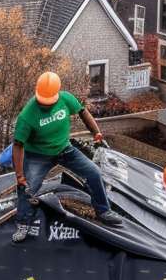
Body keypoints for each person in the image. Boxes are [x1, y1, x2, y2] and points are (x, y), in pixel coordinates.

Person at [12, 72, 123, 242]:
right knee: (27, 187)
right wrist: (19, 175)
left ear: (57, 93)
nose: (46, 105)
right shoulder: (27, 116)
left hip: (65, 149)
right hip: (38, 156)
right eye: (43, 101)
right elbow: (18, 145)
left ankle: (103, 211)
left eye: (49, 102)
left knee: (94, 172)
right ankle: (23, 223)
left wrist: (96, 132)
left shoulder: (66, 99)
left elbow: (83, 112)